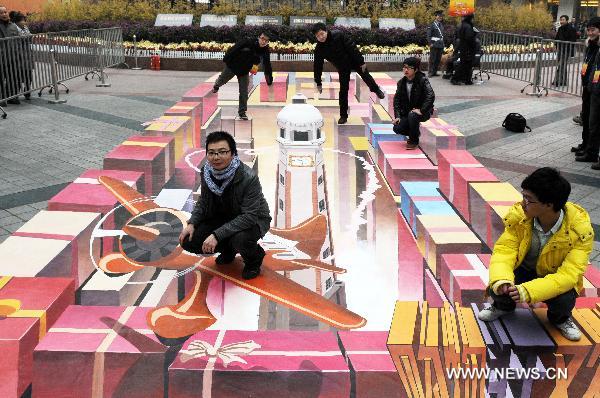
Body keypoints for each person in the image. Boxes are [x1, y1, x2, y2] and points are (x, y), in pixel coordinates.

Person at [478, 168, 593, 341]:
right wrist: (502, 279)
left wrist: (530, 291)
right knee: (498, 285)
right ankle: (502, 306)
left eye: (529, 200)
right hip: (523, 270)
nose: (523, 203)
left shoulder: (580, 230)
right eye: (523, 196)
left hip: (554, 277)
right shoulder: (519, 217)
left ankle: (560, 319)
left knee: (565, 299)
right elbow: (504, 251)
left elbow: (569, 274)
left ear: (549, 204)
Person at [179, 131, 272, 280]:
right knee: (189, 240)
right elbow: (203, 201)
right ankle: (229, 249)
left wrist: (217, 235)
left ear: (233, 153)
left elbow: (249, 216)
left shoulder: (248, 178)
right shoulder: (207, 172)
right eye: (211, 153)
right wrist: (192, 223)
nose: (216, 157)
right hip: (223, 216)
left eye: (222, 152)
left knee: (240, 239)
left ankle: (254, 258)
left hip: (253, 220)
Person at [311, 22, 385, 124]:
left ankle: (376, 90)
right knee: (343, 90)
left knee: (366, 75)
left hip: (354, 60)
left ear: (326, 31)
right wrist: (318, 82)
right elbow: (317, 66)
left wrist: (361, 62)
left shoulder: (339, 35)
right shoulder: (319, 49)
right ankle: (343, 116)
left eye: (322, 33)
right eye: (318, 36)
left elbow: (352, 47)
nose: (321, 37)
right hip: (342, 67)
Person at [212, 33, 273, 120]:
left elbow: (267, 65)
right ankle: (216, 85)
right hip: (233, 66)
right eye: (262, 39)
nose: (263, 42)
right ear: (258, 37)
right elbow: (234, 49)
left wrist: (269, 80)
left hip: (244, 70)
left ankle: (242, 112)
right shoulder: (248, 42)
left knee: (244, 91)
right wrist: (226, 59)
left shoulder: (265, 50)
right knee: (222, 79)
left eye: (266, 40)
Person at [392, 57, 435, 150]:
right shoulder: (401, 83)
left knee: (413, 115)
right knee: (397, 128)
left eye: (409, 68)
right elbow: (397, 101)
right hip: (408, 113)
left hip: (423, 112)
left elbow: (430, 96)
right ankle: (415, 131)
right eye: (404, 67)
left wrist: (422, 110)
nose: (406, 70)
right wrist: (398, 116)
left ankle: (413, 141)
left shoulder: (423, 80)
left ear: (415, 69)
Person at [575, 17, 600, 166]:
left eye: (593, 30)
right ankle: (587, 147)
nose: (590, 32)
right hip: (591, 87)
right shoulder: (591, 44)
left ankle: (591, 152)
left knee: (595, 123)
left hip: (596, 89)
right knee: (589, 119)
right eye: (589, 29)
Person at [10, 11, 32, 101]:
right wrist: (27, 36)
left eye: (24, 20)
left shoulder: (25, 27)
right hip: (18, 54)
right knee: (19, 75)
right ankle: (15, 94)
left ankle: (27, 90)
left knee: (29, 74)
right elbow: (23, 37)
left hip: (27, 54)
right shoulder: (14, 28)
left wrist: (27, 36)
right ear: (17, 21)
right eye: (22, 20)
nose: (24, 22)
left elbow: (29, 36)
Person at [0, 5, 19, 106]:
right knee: (1, 79)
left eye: (5, 12)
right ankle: (2, 98)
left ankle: (12, 97)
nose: (4, 14)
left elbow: (18, 39)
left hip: (12, 56)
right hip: (1, 57)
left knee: (12, 77)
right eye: (1, 13)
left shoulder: (13, 25)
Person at [451, 14, 476, 86]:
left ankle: (466, 80)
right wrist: (474, 35)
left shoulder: (462, 24)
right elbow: (469, 38)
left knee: (465, 64)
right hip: (467, 49)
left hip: (463, 47)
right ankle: (456, 79)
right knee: (465, 65)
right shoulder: (468, 26)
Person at [554, 15, 578, 86]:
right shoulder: (560, 28)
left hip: (566, 50)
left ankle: (557, 80)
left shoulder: (571, 29)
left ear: (567, 20)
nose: (561, 21)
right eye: (560, 20)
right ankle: (563, 81)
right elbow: (557, 38)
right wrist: (556, 45)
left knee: (561, 65)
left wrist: (569, 49)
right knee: (562, 66)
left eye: (563, 20)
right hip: (560, 49)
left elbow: (573, 40)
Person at [427, 10, 445, 77]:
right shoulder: (432, 25)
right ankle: (430, 72)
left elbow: (442, 36)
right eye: (439, 16)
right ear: (436, 17)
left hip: (440, 44)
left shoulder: (441, 25)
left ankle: (434, 72)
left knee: (438, 59)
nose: (440, 17)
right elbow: (428, 35)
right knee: (432, 59)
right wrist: (430, 43)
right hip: (434, 44)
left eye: (441, 16)